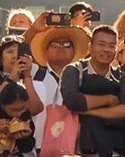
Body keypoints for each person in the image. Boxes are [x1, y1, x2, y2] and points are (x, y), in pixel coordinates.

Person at [60, 24, 125, 157]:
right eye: (101, 44)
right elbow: (73, 101)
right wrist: (109, 100)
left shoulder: (121, 77)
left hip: (113, 147)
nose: (107, 50)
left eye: (112, 46)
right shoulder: (75, 70)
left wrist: (87, 111)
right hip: (77, 148)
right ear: (90, 46)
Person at [29, 25, 89, 157]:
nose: (61, 47)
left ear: (74, 51)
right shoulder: (33, 73)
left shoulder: (84, 79)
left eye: (67, 44)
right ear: (45, 51)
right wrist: (34, 28)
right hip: (35, 147)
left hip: (73, 150)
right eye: (55, 44)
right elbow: (16, 51)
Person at [0, 38, 44, 124]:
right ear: (0, 58)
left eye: (19, 53)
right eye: (10, 52)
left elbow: (35, 109)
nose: (15, 56)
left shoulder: (36, 84)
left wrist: (27, 77)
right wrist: (10, 80)